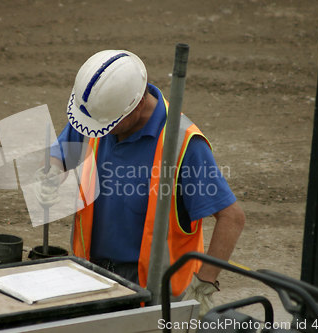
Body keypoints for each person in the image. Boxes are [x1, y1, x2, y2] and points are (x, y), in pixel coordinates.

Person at [34, 50, 245, 318]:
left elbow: (232, 217)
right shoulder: (99, 115)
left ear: (135, 105)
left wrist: (204, 283)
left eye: (108, 124)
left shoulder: (183, 145)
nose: (101, 130)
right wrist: (52, 171)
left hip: (154, 295)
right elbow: (61, 153)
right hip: (91, 275)